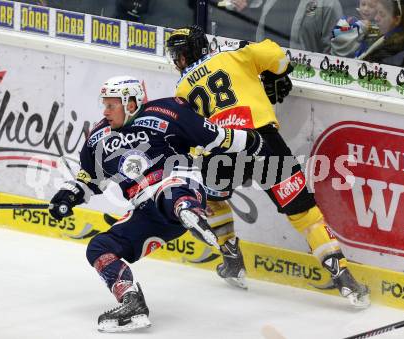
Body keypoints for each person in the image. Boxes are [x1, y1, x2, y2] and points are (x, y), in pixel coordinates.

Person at [165, 25, 371, 308]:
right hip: (263, 142)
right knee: (304, 214)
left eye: (180, 55)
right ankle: (344, 279)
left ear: (187, 55)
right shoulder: (234, 54)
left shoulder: (182, 88)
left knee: (213, 198)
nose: (178, 61)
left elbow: (191, 136)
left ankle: (232, 260)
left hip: (221, 150)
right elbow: (280, 57)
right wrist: (271, 75)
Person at [48, 76, 269, 332]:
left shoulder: (167, 111)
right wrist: (68, 195)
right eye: (105, 105)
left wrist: (252, 141)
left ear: (131, 103)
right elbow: (89, 180)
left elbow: (215, 135)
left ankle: (188, 210)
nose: (105, 111)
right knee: (99, 247)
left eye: (111, 105)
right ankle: (131, 302)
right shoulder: (98, 138)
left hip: (179, 180)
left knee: (168, 192)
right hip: (149, 212)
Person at [255, 0, 343, 54]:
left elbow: (334, 55)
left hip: (302, 81)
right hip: (266, 76)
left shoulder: (328, 4)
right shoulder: (271, 2)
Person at [358, 0, 404, 67]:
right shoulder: (385, 38)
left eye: (382, 14)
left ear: (397, 20)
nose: (376, 18)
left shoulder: (395, 49)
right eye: (376, 13)